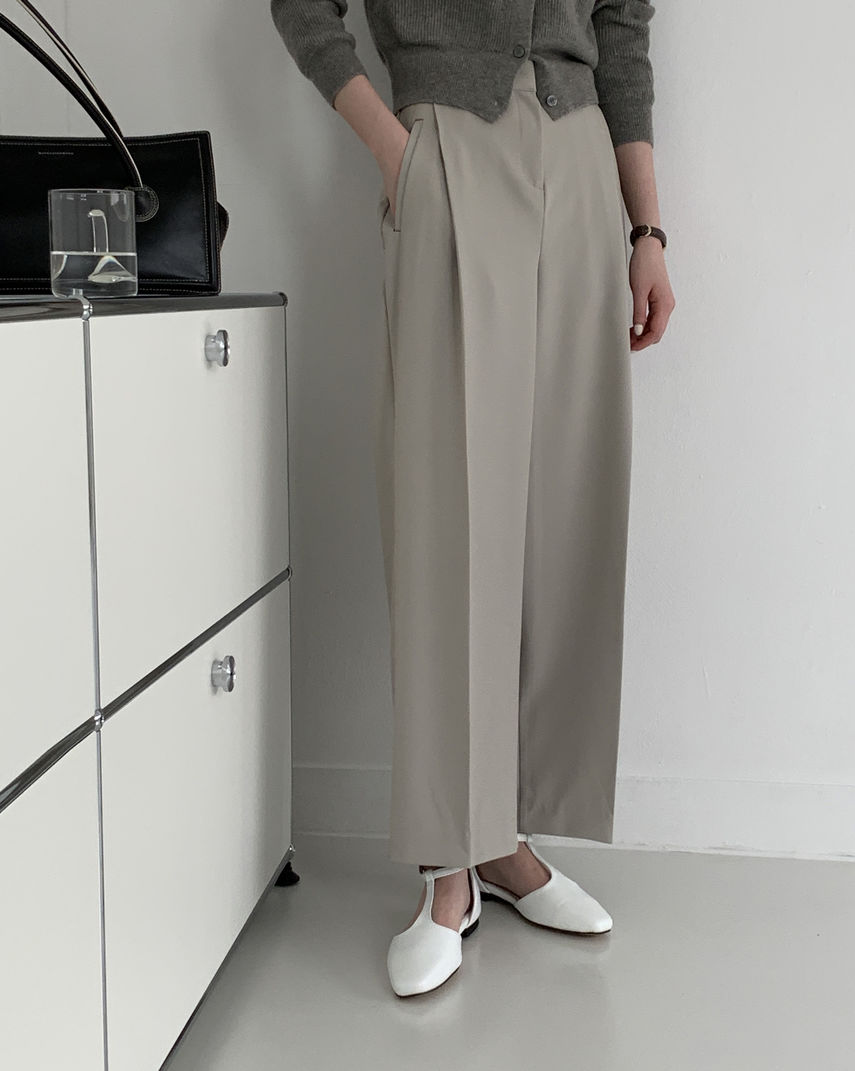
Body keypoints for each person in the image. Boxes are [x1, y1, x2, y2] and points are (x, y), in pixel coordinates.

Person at [270, 0, 675, 997]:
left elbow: (621, 31)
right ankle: (447, 863)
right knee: (448, 511)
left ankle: (507, 837)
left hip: (581, 159)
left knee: (567, 498)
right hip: (446, 146)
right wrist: (396, 150)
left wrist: (647, 228)